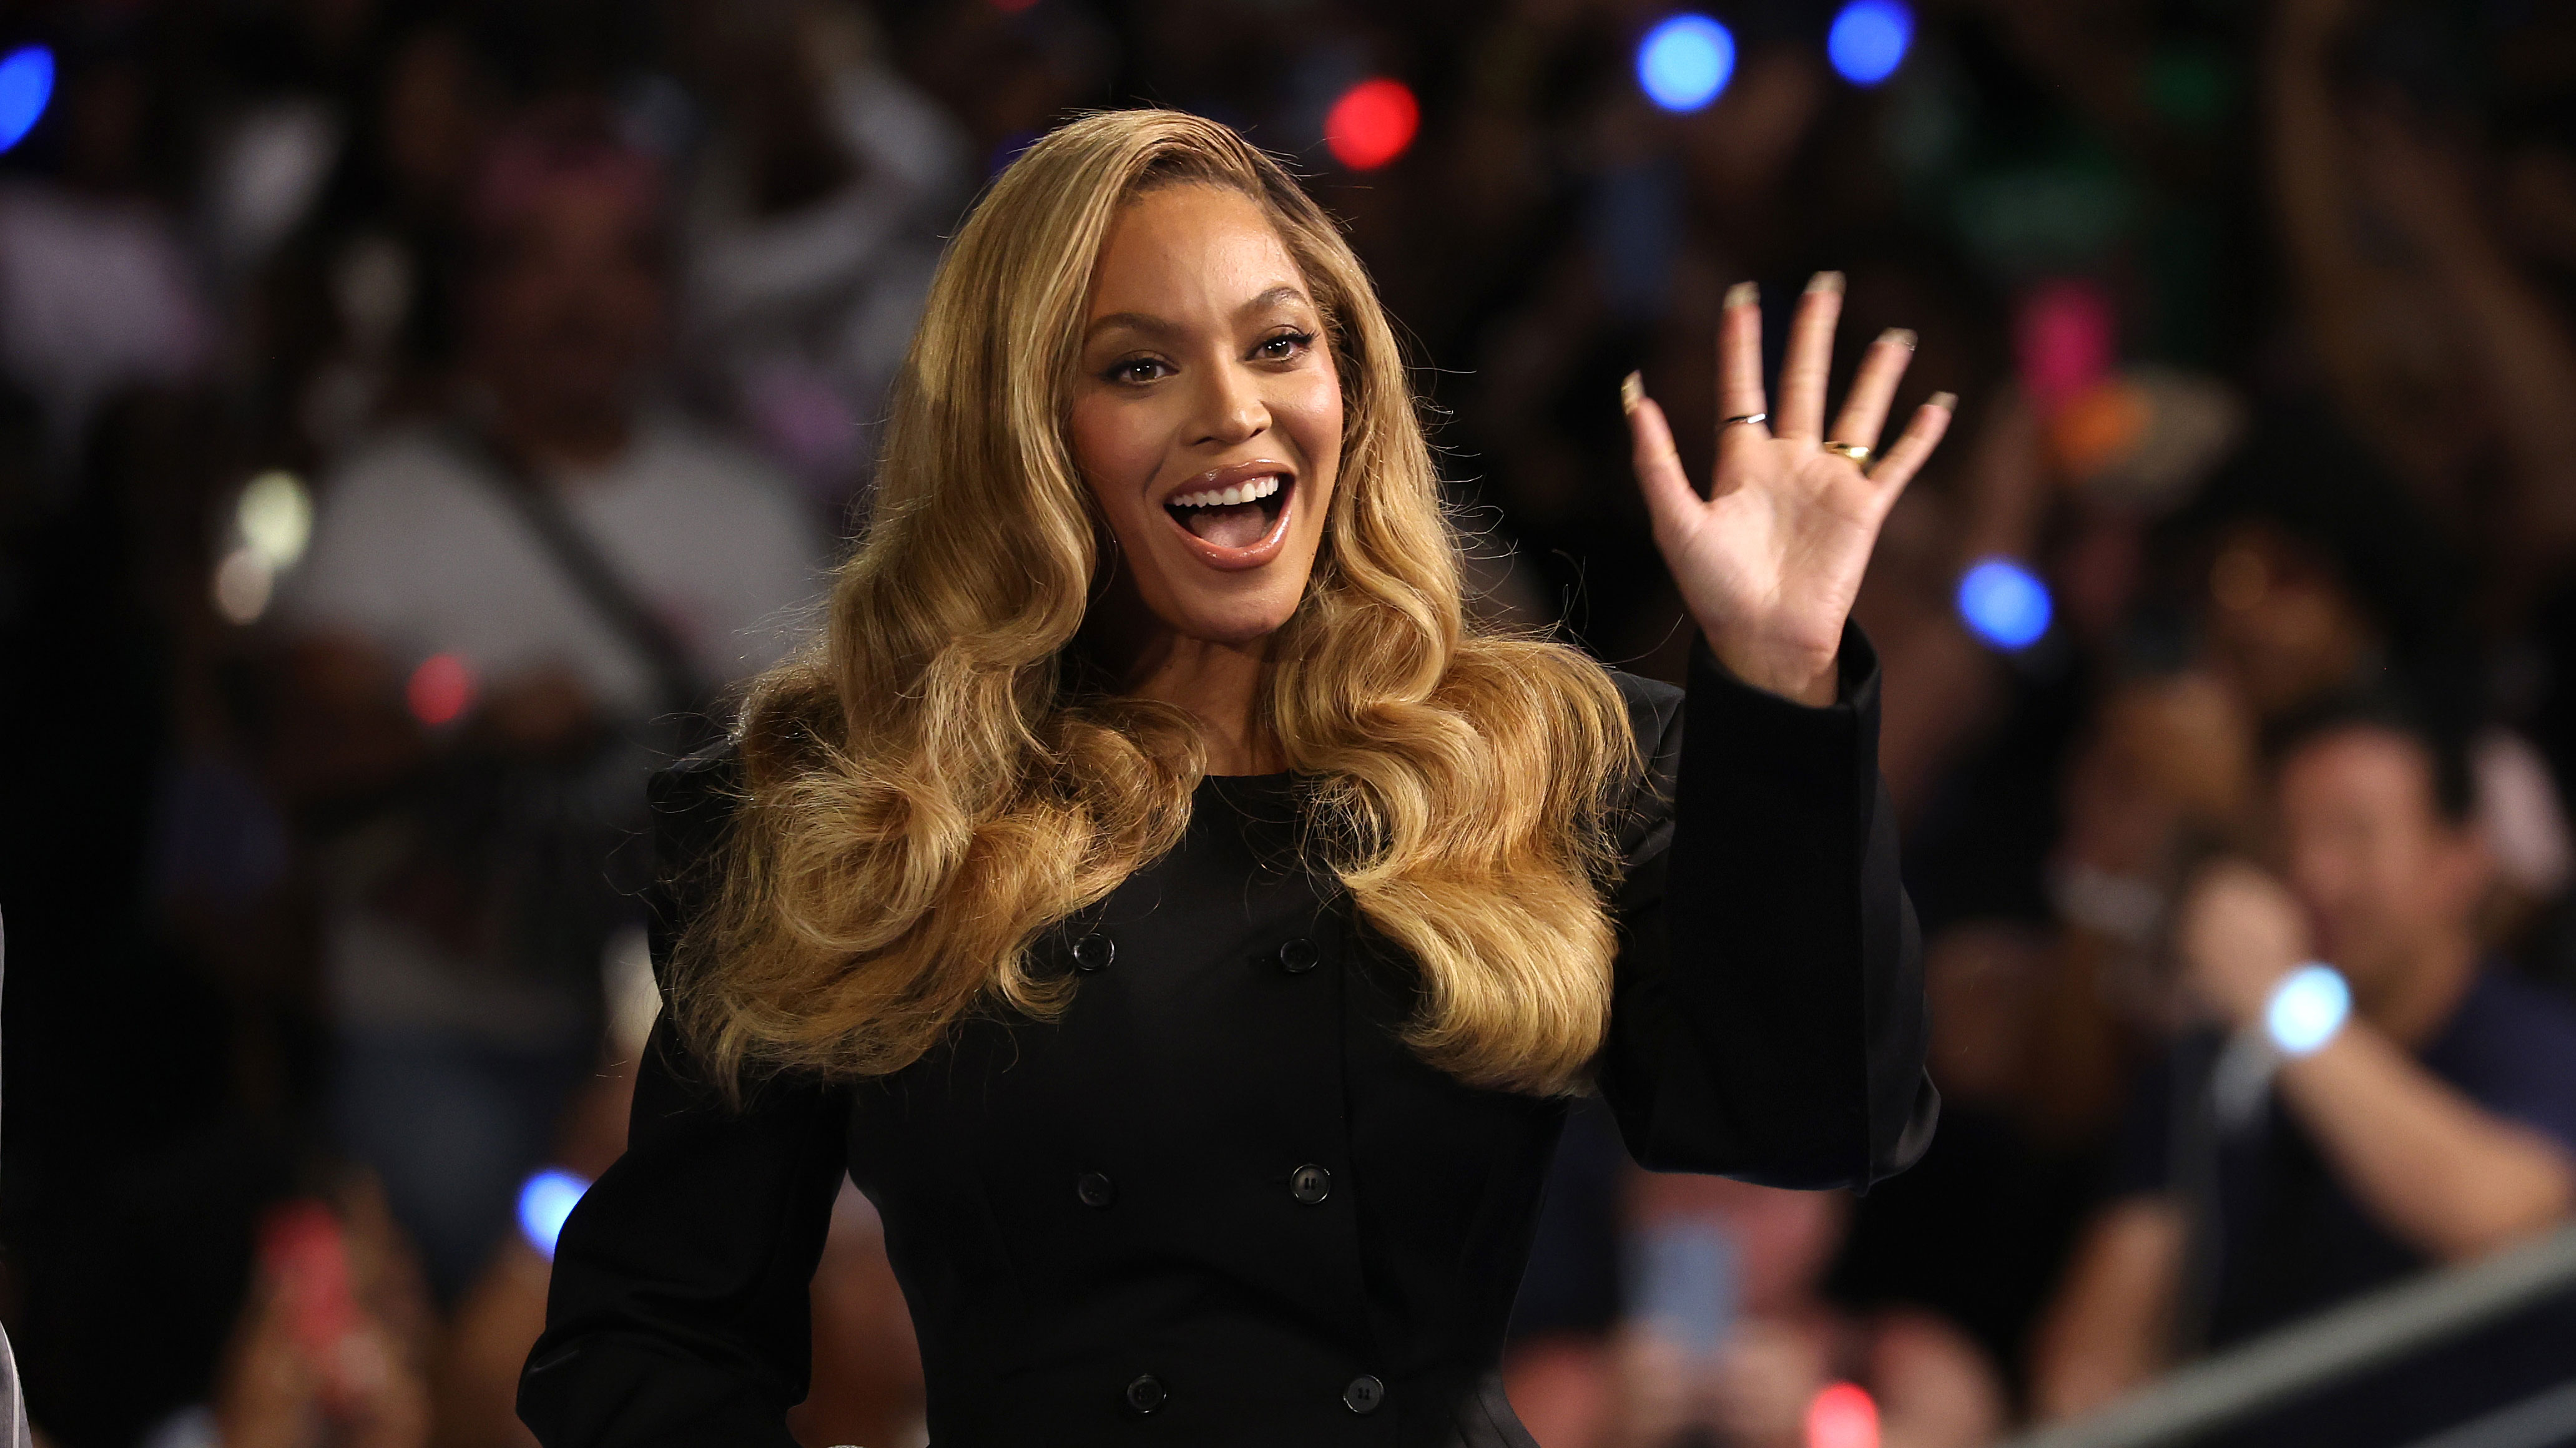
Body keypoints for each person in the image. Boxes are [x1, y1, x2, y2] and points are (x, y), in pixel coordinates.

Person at [520, 109, 1952, 1445]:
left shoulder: (1542, 760)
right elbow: (649, 1335)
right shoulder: (847, 807)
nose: (1233, 413)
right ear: (1024, 435)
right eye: (1138, 366)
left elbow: (1814, 1115)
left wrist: (1777, 679)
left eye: (1277, 346)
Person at [272, 106, 824, 1301]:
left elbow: (816, 777)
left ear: (664, 289)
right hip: (429, 1035)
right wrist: (461, 726)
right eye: (536, 256)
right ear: (474, 287)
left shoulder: (745, 512)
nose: (578, 301)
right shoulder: (386, 502)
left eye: (619, 258)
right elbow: (301, 752)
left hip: (683, 1054)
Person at [2033, 695, 2576, 1440]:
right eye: (2287, 835)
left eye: (2353, 835)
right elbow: (2091, 1355)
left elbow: (2507, 1222)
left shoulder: (2535, 1041)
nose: (2313, 872)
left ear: (2460, 861)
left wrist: (2281, 1002)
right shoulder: (2213, 1061)